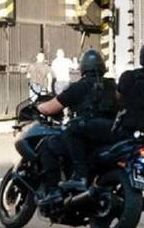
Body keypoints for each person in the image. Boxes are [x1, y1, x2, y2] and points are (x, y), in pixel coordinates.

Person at [37, 50, 118, 200]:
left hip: (85, 132)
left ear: (82, 68)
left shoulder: (78, 87)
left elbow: (51, 107)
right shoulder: (112, 86)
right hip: (110, 133)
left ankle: (56, 189)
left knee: (48, 145)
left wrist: (38, 108)